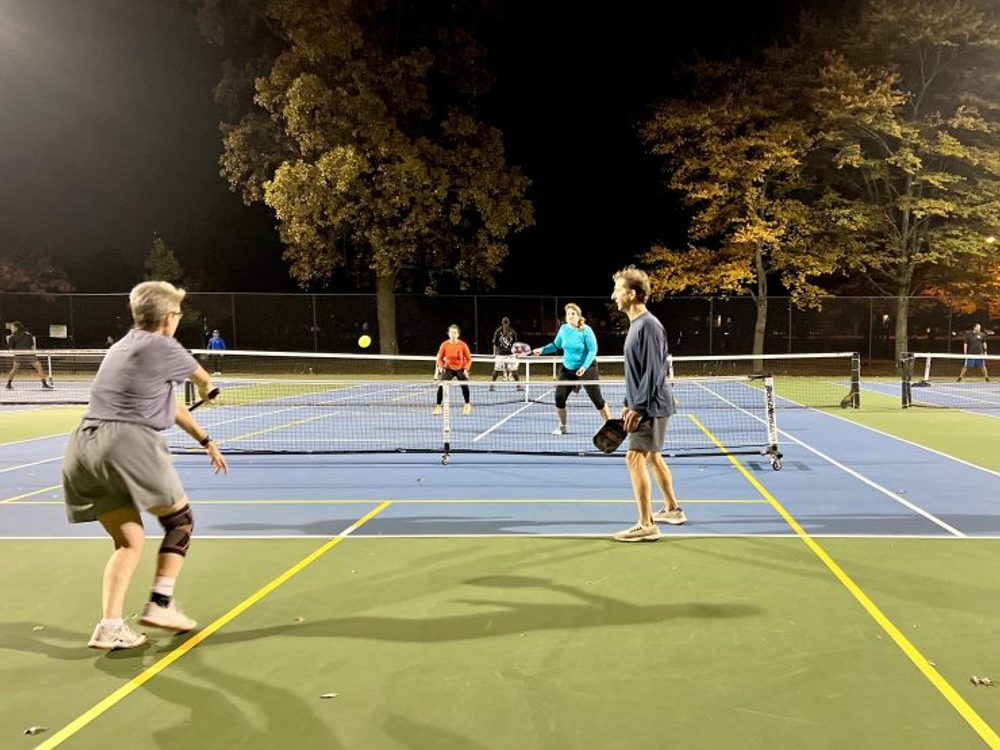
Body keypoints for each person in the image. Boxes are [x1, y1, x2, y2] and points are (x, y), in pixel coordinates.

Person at [61, 281, 228, 650]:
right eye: (179, 314)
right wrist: (208, 390)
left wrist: (205, 440)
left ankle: (110, 626)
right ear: (169, 317)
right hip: (127, 443)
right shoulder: (166, 346)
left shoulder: (120, 348)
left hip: (83, 450)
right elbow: (202, 380)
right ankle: (160, 604)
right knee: (180, 521)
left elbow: (173, 404)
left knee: (129, 541)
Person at [610, 266, 685, 542]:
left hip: (650, 406)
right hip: (645, 402)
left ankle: (646, 524)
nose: (613, 295)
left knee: (634, 458)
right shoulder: (637, 326)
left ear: (631, 294)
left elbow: (654, 371)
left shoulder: (649, 326)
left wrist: (638, 407)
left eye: (618, 290)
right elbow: (637, 371)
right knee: (652, 456)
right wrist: (627, 401)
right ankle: (673, 509)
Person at [532, 303, 612, 434]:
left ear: (579, 316)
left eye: (573, 313)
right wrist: (542, 350)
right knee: (559, 397)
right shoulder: (563, 329)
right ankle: (562, 426)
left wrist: (584, 367)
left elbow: (593, 350)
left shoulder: (586, 330)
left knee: (597, 399)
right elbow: (556, 345)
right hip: (567, 369)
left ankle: (610, 426)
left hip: (587, 367)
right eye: (568, 314)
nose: (570, 316)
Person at [434, 324, 472, 415]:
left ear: (458, 334)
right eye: (451, 332)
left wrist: (466, 369)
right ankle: (438, 407)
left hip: (460, 368)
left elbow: (469, 359)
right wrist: (440, 366)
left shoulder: (463, 345)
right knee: (442, 386)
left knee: (465, 387)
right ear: (448, 334)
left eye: (455, 333)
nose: (453, 334)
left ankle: (467, 405)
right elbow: (439, 358)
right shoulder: (444, 344)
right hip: (448, 368)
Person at [5, 321, 53, 390]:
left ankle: (8, 384)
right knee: (38, 366)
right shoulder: (28, 335)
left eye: (12, 328)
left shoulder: (12, 337)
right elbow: (32, 345)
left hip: (19, 354)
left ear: (17, 328)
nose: (11, 329)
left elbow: (10, 348)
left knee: (14, 369)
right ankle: (44, 384)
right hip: (28, 353)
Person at [490, 316, 521, 390]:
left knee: (514, 370)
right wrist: (495, 354)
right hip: (500, 355)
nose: (505, 325)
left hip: (510, 355)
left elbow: (515, 344)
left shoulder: (513, 332)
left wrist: (516, 354)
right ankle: (492, 385)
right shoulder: (498, 331)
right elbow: (495, 343)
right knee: (497, 370)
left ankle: (518, 386)